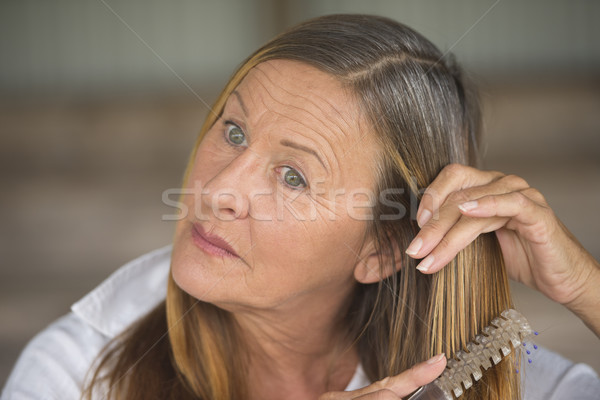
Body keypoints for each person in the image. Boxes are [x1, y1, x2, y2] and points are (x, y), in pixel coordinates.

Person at [2, 14, 599, 400]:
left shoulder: (492, 381)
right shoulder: (78, 371)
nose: (218, 191)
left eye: (293, 176)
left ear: (384, 249)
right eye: (233, 132)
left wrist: (584, 287)